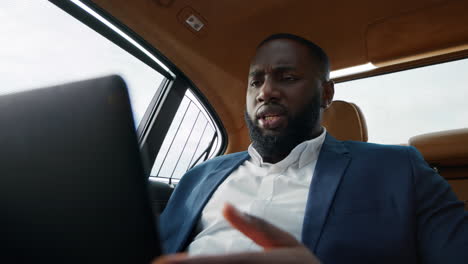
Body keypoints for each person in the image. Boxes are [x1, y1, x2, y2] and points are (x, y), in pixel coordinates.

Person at [154, 33, 468, 264]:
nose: (266, 91)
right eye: (255, 82)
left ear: (326, 94)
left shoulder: (399, 169)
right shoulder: (198, 177)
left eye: (287, 77)